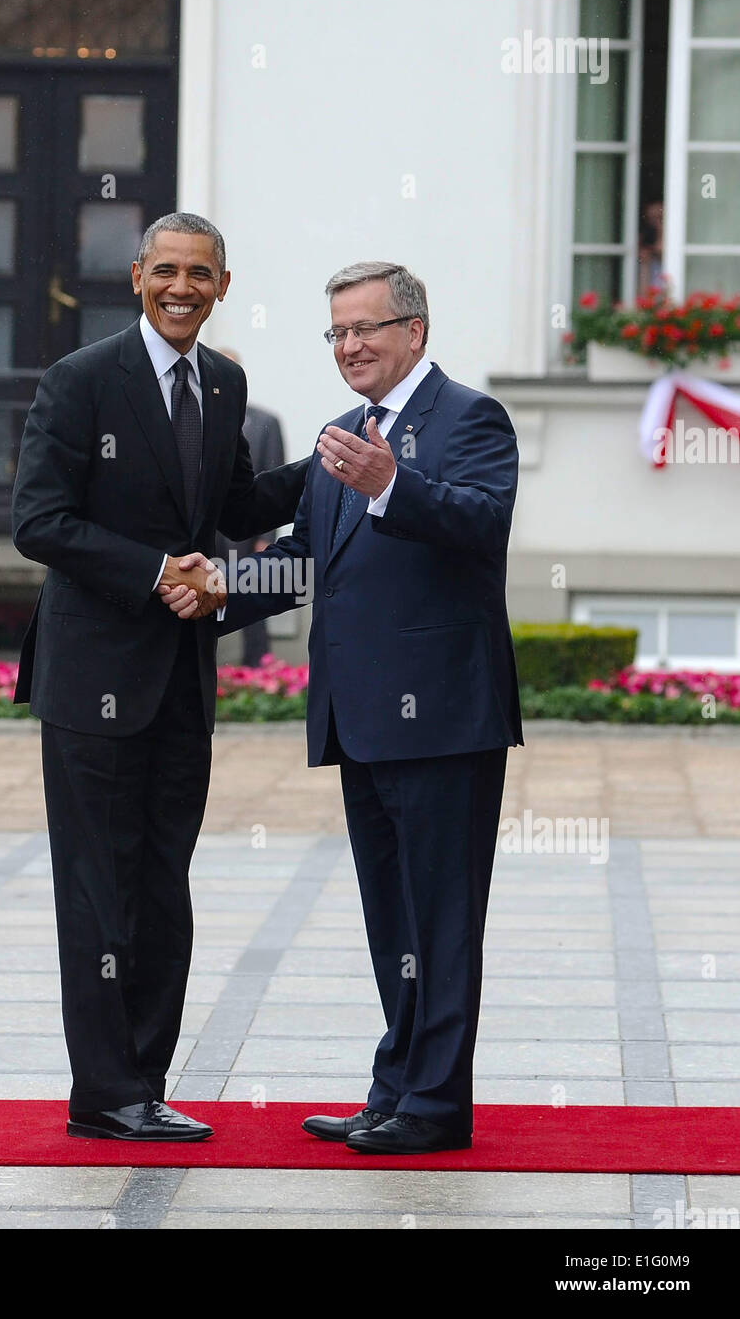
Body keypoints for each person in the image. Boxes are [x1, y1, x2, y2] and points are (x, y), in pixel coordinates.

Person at [162, 260, 523, 1154]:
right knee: (391, 917)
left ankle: (435, 1109)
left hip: (442, 719)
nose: (350, 347)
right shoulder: (340, 433)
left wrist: (391, 486)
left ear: (415, 333)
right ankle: (393, 1088)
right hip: (360, 717)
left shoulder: (470, 419)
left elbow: (481, 521)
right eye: (336, 333)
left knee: (439, 919)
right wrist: (217, 593)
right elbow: (303, 556)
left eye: (365, 329)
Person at [11, 212, 308, 1142]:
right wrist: (155, 574)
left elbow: (234, 506)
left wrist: (331, 464)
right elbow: (38, 522)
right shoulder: (80, 380)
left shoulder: (223, 382)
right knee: (100, 889)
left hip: (181, 678)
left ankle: (145, 1079)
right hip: (93, 681)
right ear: (137, 276)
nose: (182, 288)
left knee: (162, 885)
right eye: (166, 271)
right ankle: (104, 1093)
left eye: (201, 275)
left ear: (225, 285)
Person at [213, 348, 288, 667]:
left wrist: (266, 537)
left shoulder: (265, 421)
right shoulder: (190, 417)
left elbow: (274, 479)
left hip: (248, 532)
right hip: (204, 532)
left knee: (252, 600)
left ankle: (258, 669)